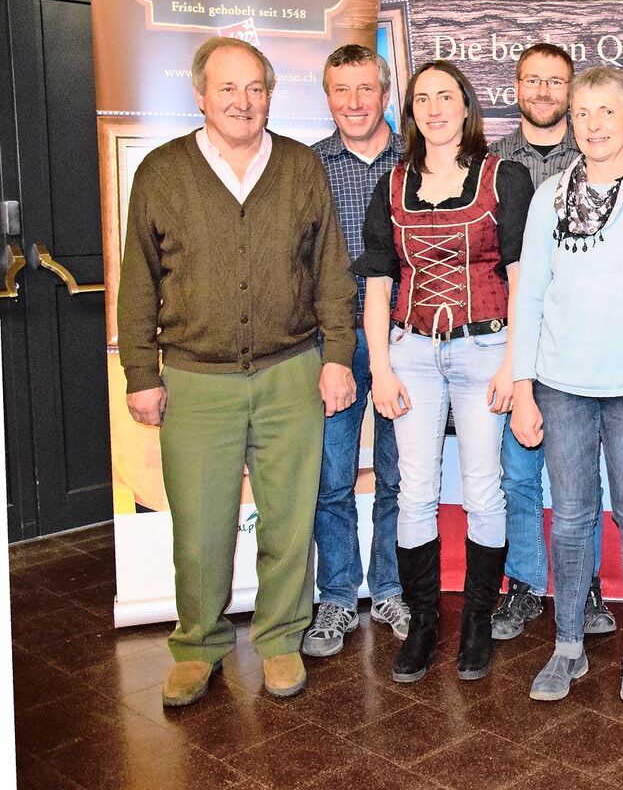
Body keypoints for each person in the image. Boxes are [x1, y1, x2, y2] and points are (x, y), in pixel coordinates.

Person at [118, 36, 357, 707]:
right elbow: (138, 281)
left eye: (255, 89)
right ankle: (198, 645)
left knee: (289, 521)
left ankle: (280, 640)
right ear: (200, 95)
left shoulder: (300, 166)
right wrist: (140, 372)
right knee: (201, 529)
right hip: (195, 380)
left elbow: (331, 272)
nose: (243, 102)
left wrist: (337, 356)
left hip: (290, 372)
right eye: (228, 88)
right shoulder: (163, 171)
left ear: (270, 96)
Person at [510, 66, 623, 704]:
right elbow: (529, 297)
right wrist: (523, 388)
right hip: (561, 385)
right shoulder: (550, 196)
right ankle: (568, 645)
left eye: (606, 112)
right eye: (582, 113)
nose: (593, 125)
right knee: (570, 519)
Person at [351, 59, 534, 683]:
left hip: (485, 349)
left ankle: (477, 621)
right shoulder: (391, 185)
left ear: (466, 106)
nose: (434, 108)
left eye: (446, 96)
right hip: (412, 351)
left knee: (483, 490)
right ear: (411, 111)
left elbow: (522, 282)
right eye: (422, 98)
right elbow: (379, 286)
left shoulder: (504, 177)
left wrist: (513, 365)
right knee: (415, 492)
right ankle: (425, 623)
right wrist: (380, 368)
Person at [488, 43, 616, 641]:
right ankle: (523, 583)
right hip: (510, 342)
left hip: (578, 348)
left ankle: (583, 582)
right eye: (532, 80)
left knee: (578, 480)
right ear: (515, 87)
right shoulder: (489, 164)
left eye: (555, 82)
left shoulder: (595, 158)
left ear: (571, 91)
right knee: (517, 474)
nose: (543, 91)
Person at [303, 44, 410, 659]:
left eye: (366, 88)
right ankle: (339, 596)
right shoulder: (307, 167)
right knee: (332, 477)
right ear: (327, 97)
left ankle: (391, 588)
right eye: (341, 90)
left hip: (405, 342)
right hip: (334, 344)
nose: (354, 102)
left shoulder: (418, 161)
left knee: (399, 475)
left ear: (386, 94)